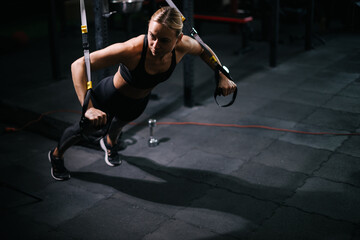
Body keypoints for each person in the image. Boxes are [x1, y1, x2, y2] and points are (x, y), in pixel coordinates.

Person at [48, 6, 237, 181]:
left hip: (138, 102)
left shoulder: (183, 46)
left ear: (178, 39)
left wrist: (221, 74)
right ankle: (56, 155)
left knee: (119, 124)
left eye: (164, 40)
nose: (155, 45)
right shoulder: (131, 50)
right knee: (82, 131)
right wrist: (88, 108)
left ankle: (109, 143)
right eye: (152, 36)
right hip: (108, 96)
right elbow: (78, 65)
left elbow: (204, 50)